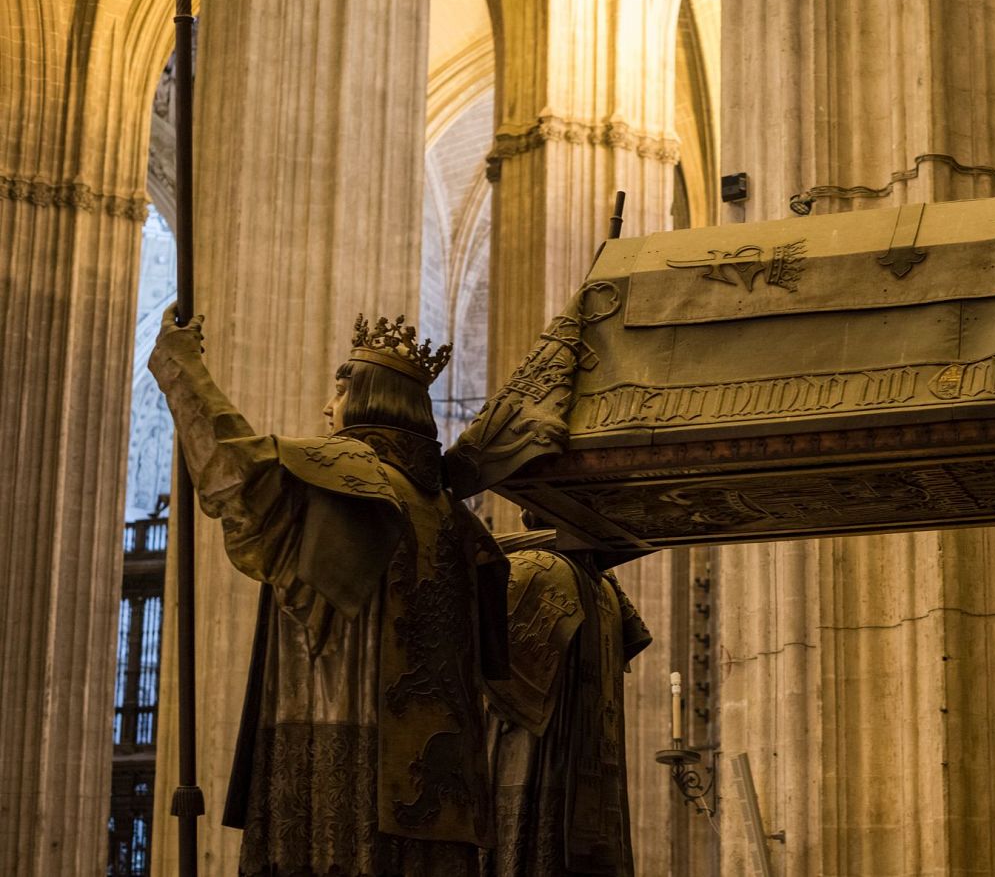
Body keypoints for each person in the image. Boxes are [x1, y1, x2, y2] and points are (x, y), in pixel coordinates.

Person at [148, 308, 509, 877]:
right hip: (439, 788)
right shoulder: (461, 523)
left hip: (342, 753)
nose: (327, 406)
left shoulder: (347, 479)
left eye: (341, 391)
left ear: (373, 400)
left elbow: (235, 467)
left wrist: (181, 366)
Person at [483, 527, 652, 877]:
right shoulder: (607, 587)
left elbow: (483, 655)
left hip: (539, 752)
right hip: (587, 768)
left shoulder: (537, 569)